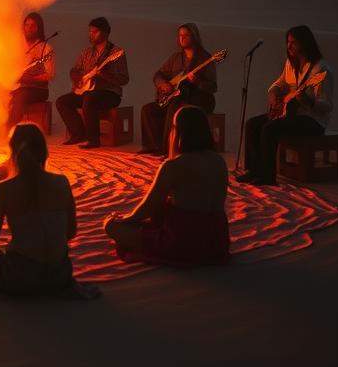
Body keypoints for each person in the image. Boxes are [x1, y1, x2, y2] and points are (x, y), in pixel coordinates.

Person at [0, 123, 82, 298]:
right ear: (43, 151)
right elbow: (70, 232)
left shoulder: (3, 189)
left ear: (13, 152)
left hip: (22, 278)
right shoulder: (62, 182)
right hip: (60, 275)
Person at [105, 105, 229, 266]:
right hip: (217, 239)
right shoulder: (218, 161)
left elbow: (148, 207)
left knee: (111, 226)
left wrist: (123, 220)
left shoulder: (173, 166)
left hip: (184, 240)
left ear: (179, 132)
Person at [237, 25, 333, 186]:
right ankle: (254, 170)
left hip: (312, 119)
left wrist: (308, 101)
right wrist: (273, 93)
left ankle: (268, 176)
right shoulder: (291, 63)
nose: (289, 46)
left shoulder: (321, 69)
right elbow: (280, 83)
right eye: (288, 42)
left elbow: (326, 105)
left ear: (305, 43)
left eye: (293, 42)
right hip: (289, 113)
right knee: (252, 124)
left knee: (269, 128)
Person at [139, 23, 217, 156]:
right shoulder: (176, 58)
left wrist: (197, 82)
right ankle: (153, 146)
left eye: (185, 35)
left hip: (198, 97)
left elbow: (212, 87)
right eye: (180, 35)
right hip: (176, 96)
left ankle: (167, 149)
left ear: (194, 37)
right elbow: (158, 75)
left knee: (174, 106)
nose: (182, 38)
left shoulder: (205, 58)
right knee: (148, 110)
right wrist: (163, 84)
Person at [56, 17, 129, 149]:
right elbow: (74, 70)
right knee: (62, 101)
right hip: (87, 91)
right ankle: (78, 134)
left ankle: (94, 139)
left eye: (95, 32)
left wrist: (105, 75)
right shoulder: (86, 52)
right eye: (90, 31)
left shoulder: (116, 53)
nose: (91, 34)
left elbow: (124, 79)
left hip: (110, 94)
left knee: (89, 99)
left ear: (105, 33)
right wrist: (78, 79)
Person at [7, 11, 55, 128]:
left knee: (21, 96)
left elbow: (49, 75)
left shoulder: (46, 48)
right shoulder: (17, 46)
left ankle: (10, 130)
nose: (29, 28)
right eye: (26, 25)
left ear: (39, 28)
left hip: (38, 89)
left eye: (33, 25)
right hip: (18, 87)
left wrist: (30, 79)